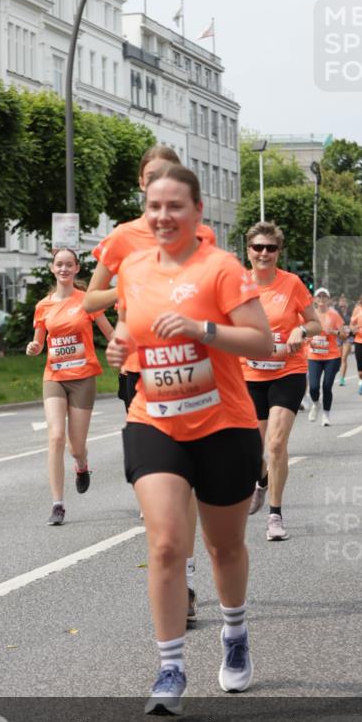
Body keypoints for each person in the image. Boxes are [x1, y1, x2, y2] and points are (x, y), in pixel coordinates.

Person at [106, 164, 271, 714]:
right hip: (154, 418)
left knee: (224, 547)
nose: (163, 216)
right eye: (154, 207)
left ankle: (235, 632)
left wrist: (203, 330)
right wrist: (119, 346)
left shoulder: (221, 268)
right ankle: (170, 668)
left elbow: (263, 342)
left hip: (223, 423)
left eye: (175, 206)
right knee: (167, 544)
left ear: (198, 212)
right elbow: (133, 330)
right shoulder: (131, 268)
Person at [84, 145, 215, 626]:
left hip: (188, 365)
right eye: (151, 177)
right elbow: (89, 300)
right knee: (163, 484)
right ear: (142, 184)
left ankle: (188, 573)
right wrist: (133, 287)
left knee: (190, 483)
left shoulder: (200, 233)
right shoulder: (121, 238)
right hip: (139, 367)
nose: (159, 184)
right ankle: (175, 567)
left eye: (169, 176)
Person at [240, 222, 321, 539]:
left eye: (270, 248)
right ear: (248, 250)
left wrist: (301, 331)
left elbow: (316, 323)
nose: (264, 253)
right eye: (258, 247)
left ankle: (275, 515)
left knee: (275, 444)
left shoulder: (292, 284)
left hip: (287, 372)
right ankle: (260, 478)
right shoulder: (236, 285)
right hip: (248, 374)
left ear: (278, 252)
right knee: (253, 450)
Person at [26, 249, 113, 525]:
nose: (63, 268)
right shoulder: (43, 306)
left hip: (83, 378)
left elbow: (110, 334)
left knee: (76, 447)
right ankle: (58, 504)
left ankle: (81, 464)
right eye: (59, 264)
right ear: (52, 269)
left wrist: (125, 352)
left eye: (69, 265)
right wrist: (34, 347)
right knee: (55, 437)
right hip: (54, 377)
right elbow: (39, 341)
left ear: (76, 269)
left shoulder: (88, 301)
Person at [307, 288, 346, 426]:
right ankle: (316, 404)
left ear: (328, 300)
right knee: (313, 387)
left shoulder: (334, 315)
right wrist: (305, 338)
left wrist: (333, 332)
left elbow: (344, 335)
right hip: (314, 356)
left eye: (324, 297)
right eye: (319, 297)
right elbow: (303, 331)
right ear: (315, 299)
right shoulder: (310, 315)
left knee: (327, 386)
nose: (322, 299)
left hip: (331, 357)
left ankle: (326, 415)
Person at [337, 294, 353, 386]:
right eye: (341, 302)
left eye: (344, 302)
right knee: (339, 358)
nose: (343, 304)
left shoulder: (351, 312)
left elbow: (354, 323)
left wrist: (350, 329)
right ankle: (340, 374)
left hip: (348, 337)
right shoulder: (336, 312)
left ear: (347, 303)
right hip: (339, 337)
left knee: (344, 358)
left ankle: (342, 379)